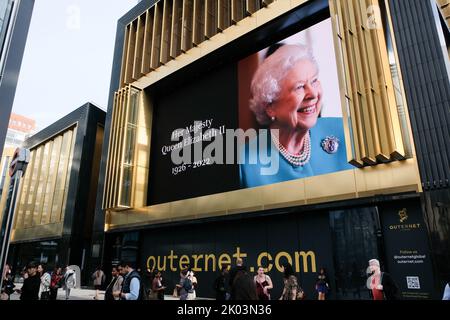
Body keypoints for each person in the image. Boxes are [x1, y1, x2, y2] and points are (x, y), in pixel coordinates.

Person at [240, 44, 353, 188]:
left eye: (314, 81)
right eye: (299, 87)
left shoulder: (346, 130)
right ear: (270, 106)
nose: (313, 94)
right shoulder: (246, 162)